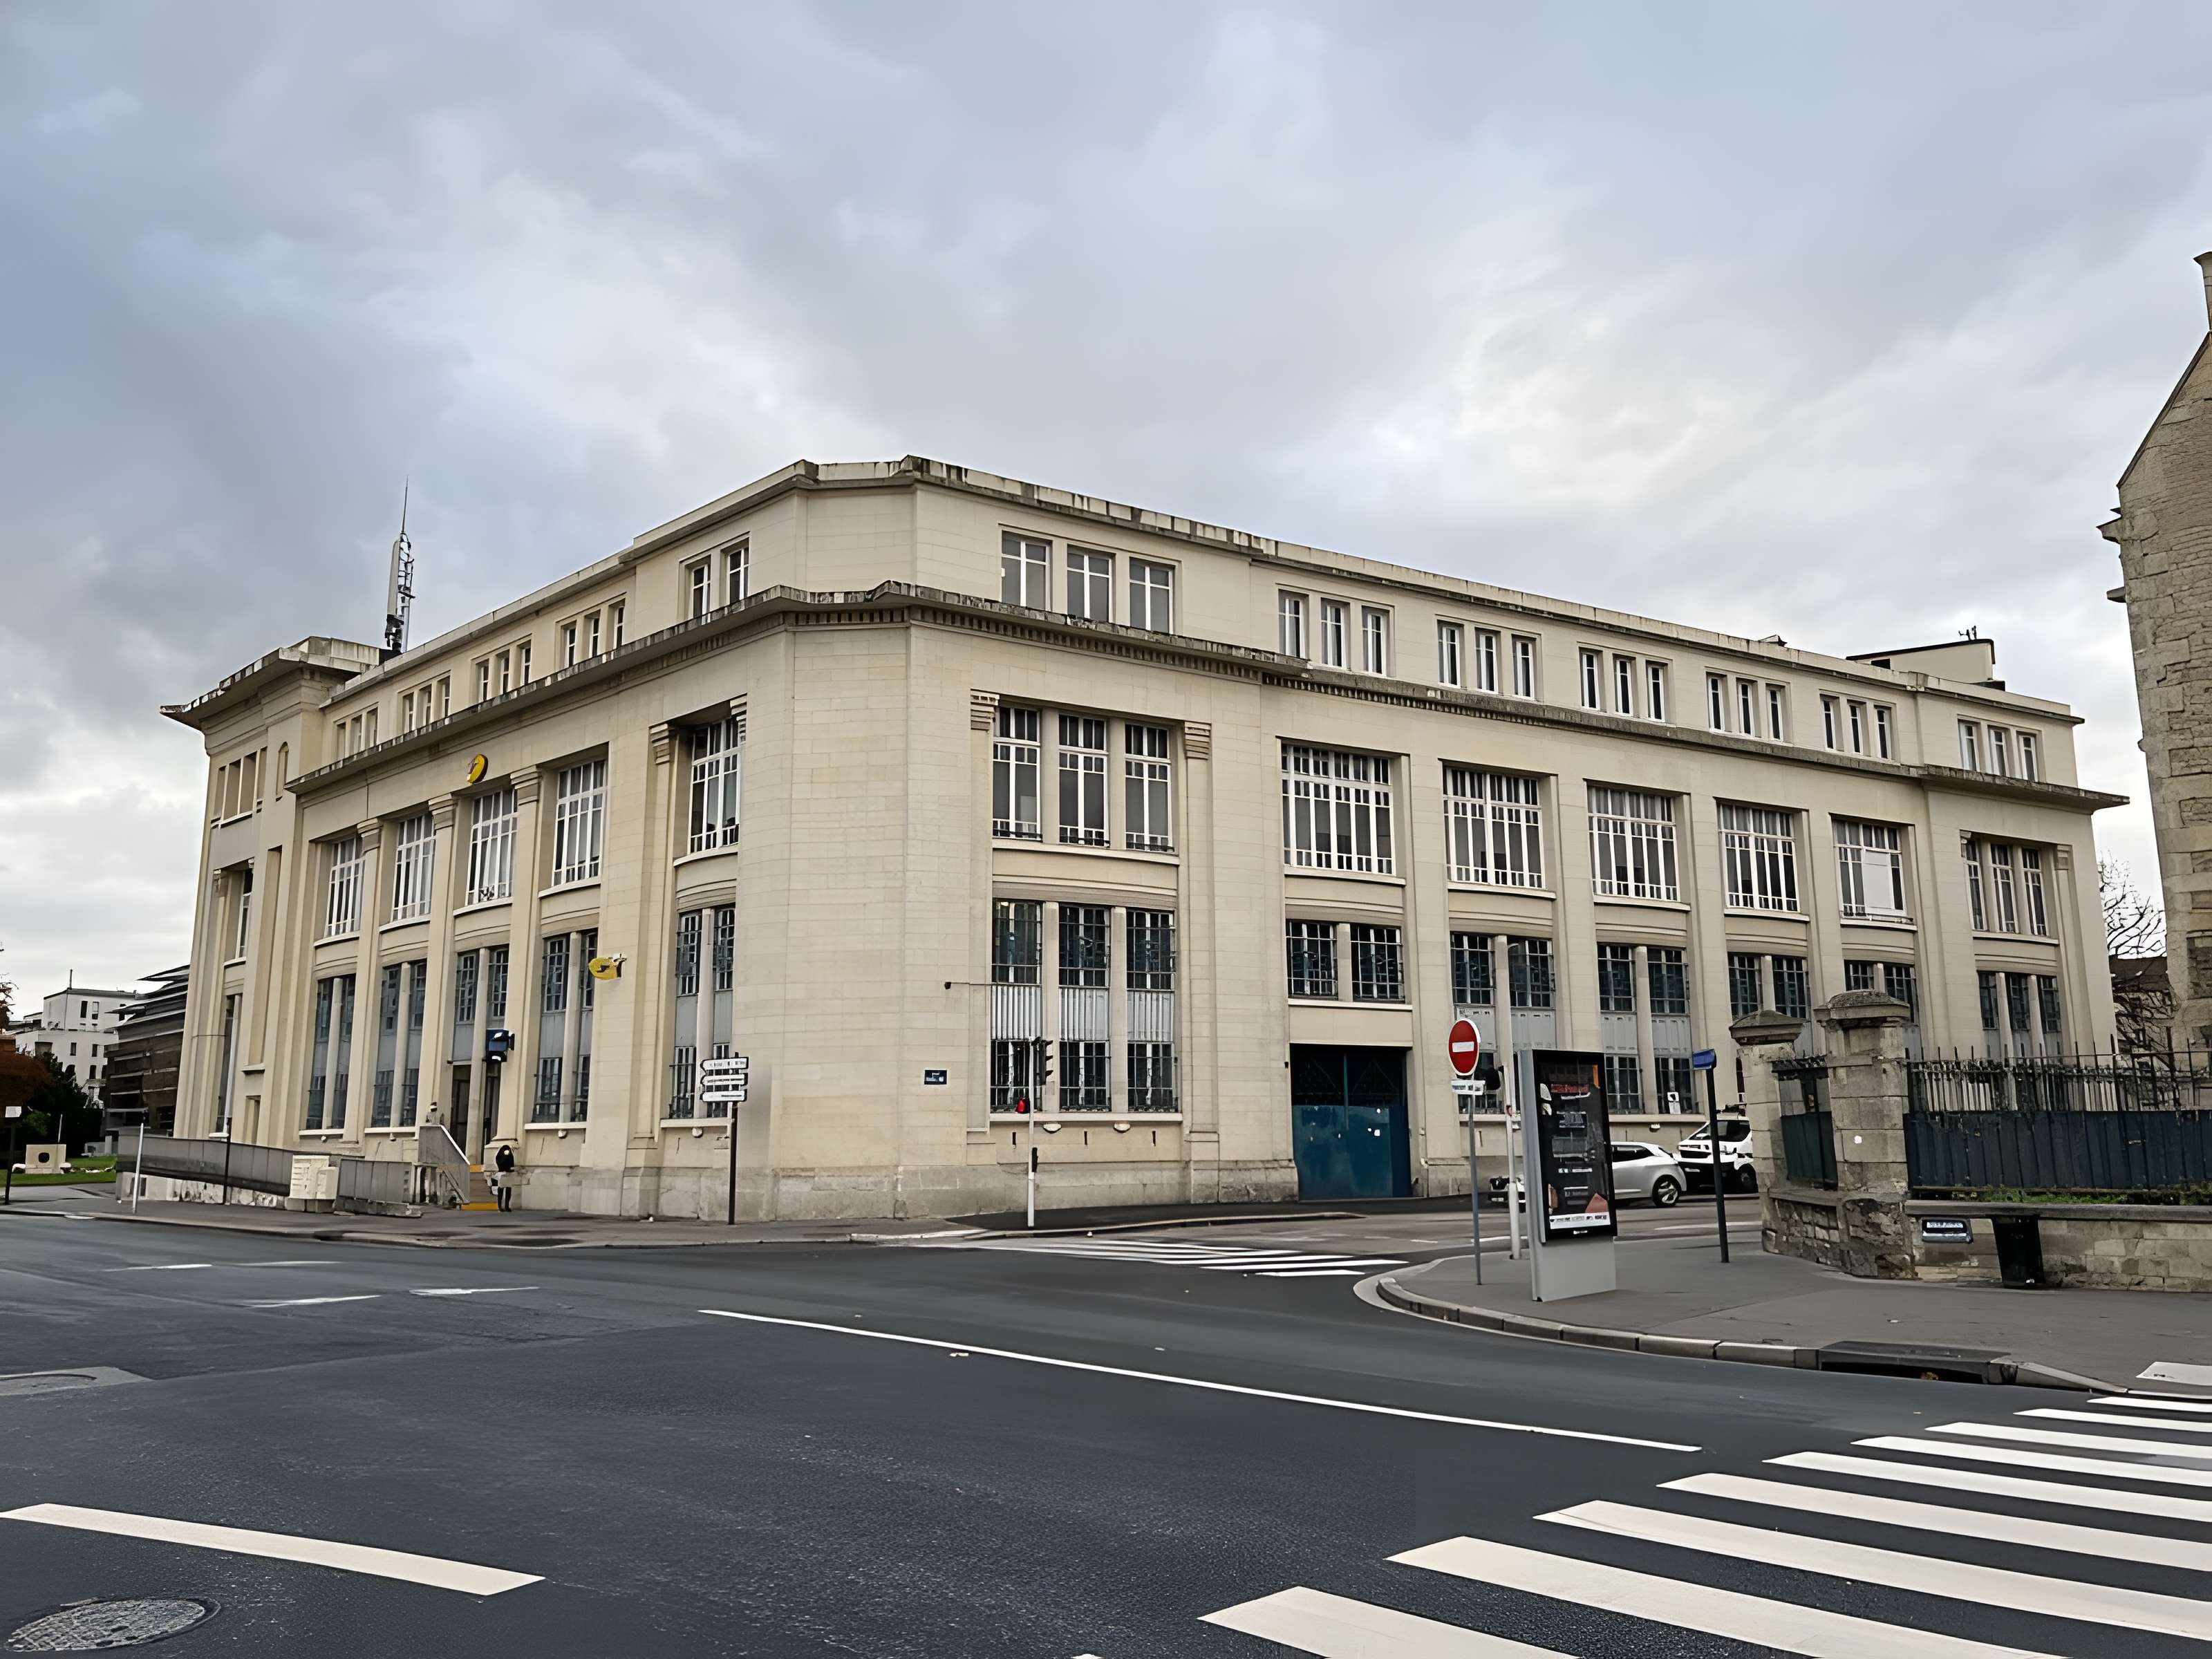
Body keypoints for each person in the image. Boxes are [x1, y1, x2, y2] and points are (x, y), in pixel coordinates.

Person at [493, 1141, 517, 1212]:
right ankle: (500, 1206)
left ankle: (507, 1206)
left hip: (509, 1174)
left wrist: (511, 1169)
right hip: (502, 1173)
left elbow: (512, 1163)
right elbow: (499, 1162)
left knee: (508, 1190)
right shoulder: (500, 1155)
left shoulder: (510, 1155)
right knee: (501, 1190)